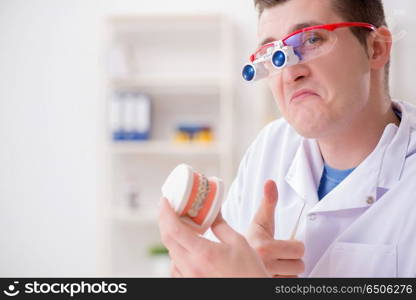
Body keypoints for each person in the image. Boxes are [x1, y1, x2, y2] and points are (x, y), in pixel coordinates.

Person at [158, 0, 416, 277]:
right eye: (272, 54)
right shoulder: (270, 146)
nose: (290, 73)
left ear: (376, 48)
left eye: (312, 39)